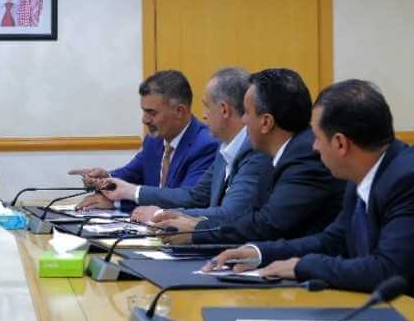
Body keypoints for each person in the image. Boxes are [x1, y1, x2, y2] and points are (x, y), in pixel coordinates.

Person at [205, 80, 414, 321]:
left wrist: (302, 266)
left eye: (317, 137)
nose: (313, 147)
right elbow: (333, 241)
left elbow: (386, 270)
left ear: (341, 144)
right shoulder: (364, 172)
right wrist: (259, 252)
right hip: (389, 316)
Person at [152, 69, 344, 245]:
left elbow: (267, 224)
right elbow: (257, 219)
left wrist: (198, 230)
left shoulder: (304, 156)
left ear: (266, 122)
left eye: (247, 113)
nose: (243, 120)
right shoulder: (280, 153)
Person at [98, 68, 269, 224]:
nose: (204, 115)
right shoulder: (225, 149)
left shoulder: (255, 151)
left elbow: (231, 214)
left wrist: (160, 215)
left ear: (224, 110)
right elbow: (196, 196)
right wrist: (126, 190)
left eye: (207, 106)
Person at [70, 70, 218, 209]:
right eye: (144, 111)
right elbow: (131, 174)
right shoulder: (153, 140)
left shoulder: (206, 145)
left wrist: (117, 202)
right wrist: (104, 179)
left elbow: (186, 200)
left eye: (152, 113)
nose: (145, 120)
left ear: (179, 111)